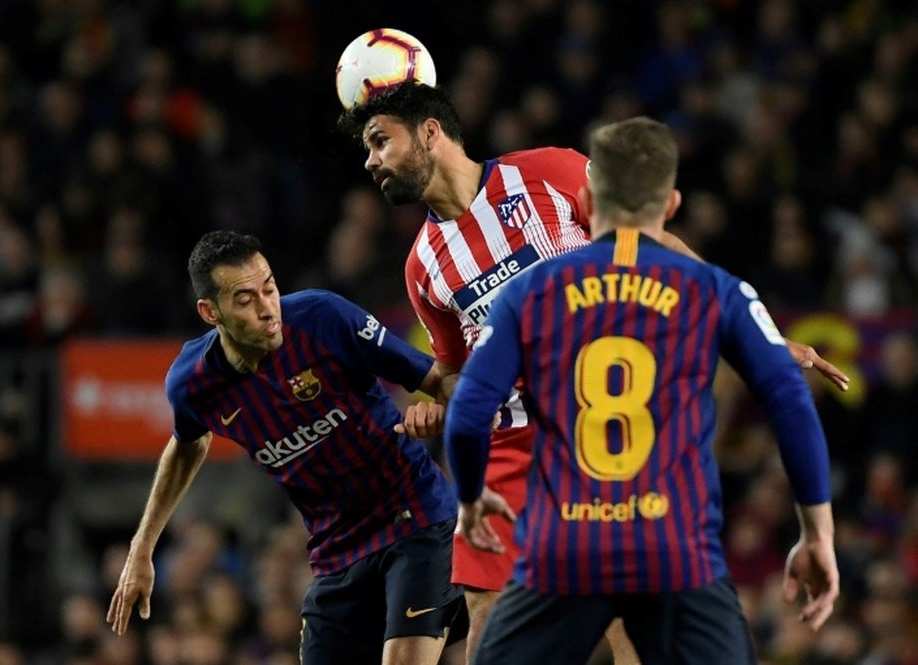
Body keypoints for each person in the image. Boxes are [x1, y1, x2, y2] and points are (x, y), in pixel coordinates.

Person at [337, 80, 848, 662]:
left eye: (380, 142)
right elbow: (456, 373)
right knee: (487, 618)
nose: (370, 161)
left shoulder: (549, 171)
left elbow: (649, 241)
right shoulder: (422, 267)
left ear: (430, 132)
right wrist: (441, 406)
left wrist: (764, 332)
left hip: (597, 434)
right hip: (509, 447)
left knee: (623, 624)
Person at [106, 230, 465, 665]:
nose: (266, 309)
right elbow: (187, 443)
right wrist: (142, 547)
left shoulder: (322, 318)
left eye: (269, 288)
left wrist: (435, 409)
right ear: (210, 311)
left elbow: (441, 380)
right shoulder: (192, 383)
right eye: (244, 299)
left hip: (416, 518)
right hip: (336, 552)